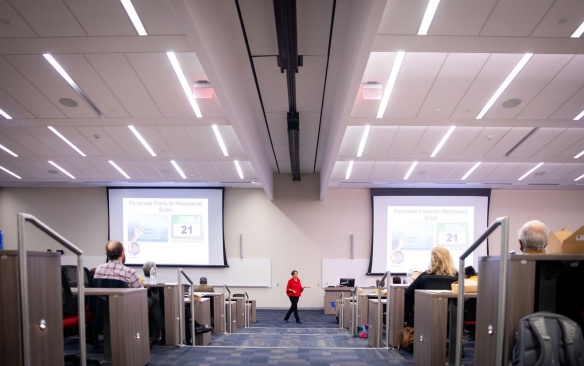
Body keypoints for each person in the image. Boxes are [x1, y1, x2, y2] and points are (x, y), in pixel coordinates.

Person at [93, 240, 164, 344]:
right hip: (126, 308)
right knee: (154, 302)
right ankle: (159, 334)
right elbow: (141, 293)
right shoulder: (129, 272)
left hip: (102, 306)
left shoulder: (99, 269)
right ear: (122, 253)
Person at [403, 246, 458, 326]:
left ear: (433, 259)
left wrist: (410, 315)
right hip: (450, 318)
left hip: (425, 316)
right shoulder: (457, 276)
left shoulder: (425, 275)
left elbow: (408, 293)